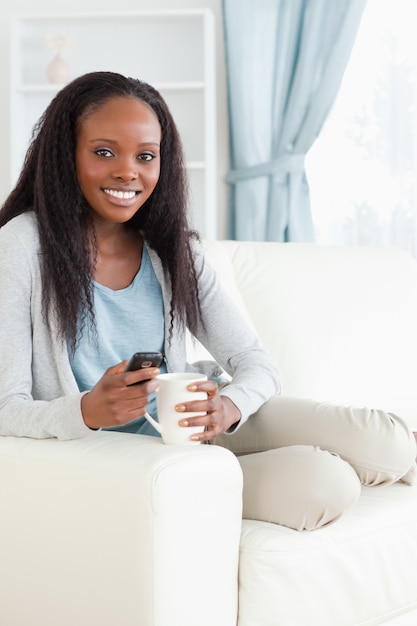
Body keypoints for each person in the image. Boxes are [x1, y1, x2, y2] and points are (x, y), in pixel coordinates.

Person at [0, 71, 415, 532]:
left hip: (198, 425)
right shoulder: (21, 245)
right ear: (65, 156)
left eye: (146, 156)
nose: (127, 171)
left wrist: (231, 407)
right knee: (324, 484)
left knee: (390, 443)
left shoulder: (171, 248)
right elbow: (6, 406)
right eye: (104, 152)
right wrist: (87, 411)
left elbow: (256, 363)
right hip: (131, 463)